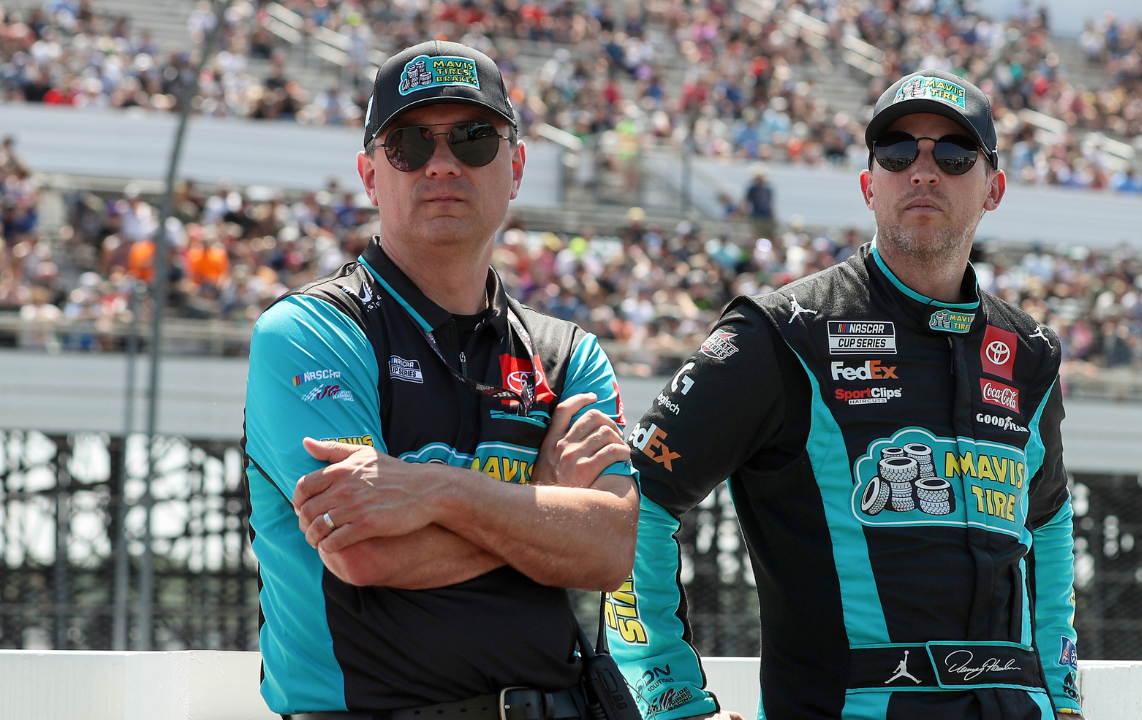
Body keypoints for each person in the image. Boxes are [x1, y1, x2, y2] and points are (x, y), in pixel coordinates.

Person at [608, 69, 1082, 720]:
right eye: (896, 153)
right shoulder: (782, 332)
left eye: (953, 153)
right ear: (868, 185)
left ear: (992, 188)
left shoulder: (1029, 352)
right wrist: (669, 699)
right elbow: (633, 499)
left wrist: (1064, 699)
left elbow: (1050, 520)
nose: (922, 170)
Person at [243, 40, 640, 719]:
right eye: (409, 146)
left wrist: (430, 492)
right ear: (371, 175)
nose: (443, 164)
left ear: (514, 166)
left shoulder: (568, 353)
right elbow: (364, 550)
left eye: (473, 138)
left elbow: (608, 549)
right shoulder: (309, 332)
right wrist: (544, 507)